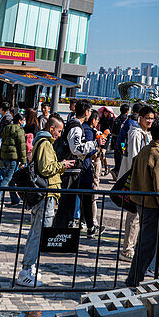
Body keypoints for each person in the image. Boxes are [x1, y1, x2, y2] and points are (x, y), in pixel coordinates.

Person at [16, 116, 75, 287]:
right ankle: (26, 271)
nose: (59, 134)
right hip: (46, 194)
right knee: (39, 233)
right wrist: (61, 165)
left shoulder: (43, 142)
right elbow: (45, 168)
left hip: (47, 194)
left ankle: (30, 267)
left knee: (37, 232)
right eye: (58, 130)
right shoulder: (45, 143)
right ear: (51, 129)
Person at [125, 115, 159, 287]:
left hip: (141, 203)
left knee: (144, 244)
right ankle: (134, 279)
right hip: (153, 206)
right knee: (147, 246)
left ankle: (134, 277)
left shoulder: (145, 150)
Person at [53, 100, 106, 235]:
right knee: (66, 205)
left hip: (73, 169)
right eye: (89, 111)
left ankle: (61, 234)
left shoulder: (75, 124)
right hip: (71, 170)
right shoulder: (76, 127)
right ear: (87, 112)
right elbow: (76, 148)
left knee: (68, 205)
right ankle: (58, 236)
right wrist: (95, 144)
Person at [119, 105, 154, 258]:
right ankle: (127, 249)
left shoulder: (147, 134)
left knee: (139, 216)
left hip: (143, 179)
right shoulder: (135, 134)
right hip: (135, 179)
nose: (150, 121)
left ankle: (132, 246)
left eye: (152, 119)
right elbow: (134, 157)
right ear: (140, 117)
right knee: (134, 215)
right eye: (147, 118)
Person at [0, 112, 26, 207]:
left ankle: (14, 199)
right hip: (13, 159)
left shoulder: (6, 129)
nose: (24, 122)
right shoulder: (20, 130)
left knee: (11, 179)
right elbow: (22, 147)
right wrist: (23, 161)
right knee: (7, 179)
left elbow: (2, 144)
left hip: (5, 157)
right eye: (23, 120)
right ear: (19, 121)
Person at [110, 104, 131, 175]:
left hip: (116, 141)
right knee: (123, 158)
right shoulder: (128, 120)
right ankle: (119, 173)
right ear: (127, 111)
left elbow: (112, 131)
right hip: (123, 142)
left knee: (117, 157)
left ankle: (116, 170)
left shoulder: (117, 119)